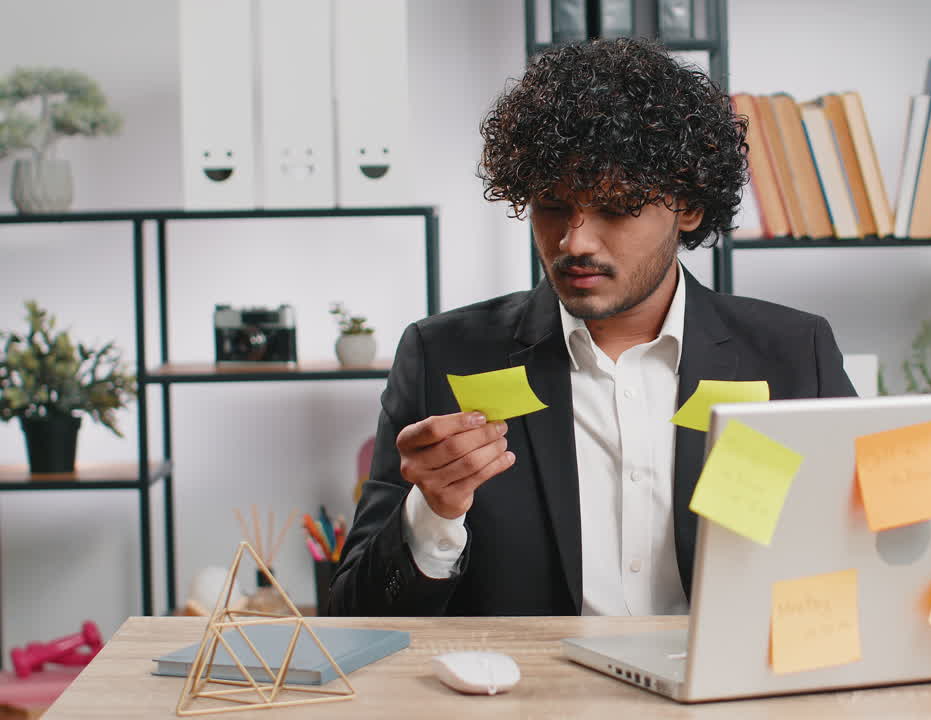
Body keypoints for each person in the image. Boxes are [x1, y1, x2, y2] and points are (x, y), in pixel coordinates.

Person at [329, 37, 856, 617]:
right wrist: (433, 512)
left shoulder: (791, 354)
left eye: (614, 208)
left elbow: (863, 560)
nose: (574, 241)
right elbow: (352, 617)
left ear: (688, 208)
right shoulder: (444, 355)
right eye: (552, 206)